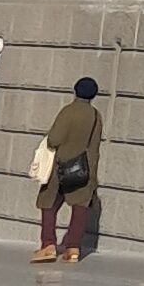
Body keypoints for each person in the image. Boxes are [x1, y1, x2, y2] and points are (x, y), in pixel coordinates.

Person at [37, 76, 104, 262]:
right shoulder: (96, 116)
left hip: (60, 167)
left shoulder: (68, 112)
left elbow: (54, 139)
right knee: (80, 207)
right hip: (84, 168)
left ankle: (48, 245)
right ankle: (73, 248)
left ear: (75, 91)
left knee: (48, 203)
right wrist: (92, 175)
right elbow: (95, 146)